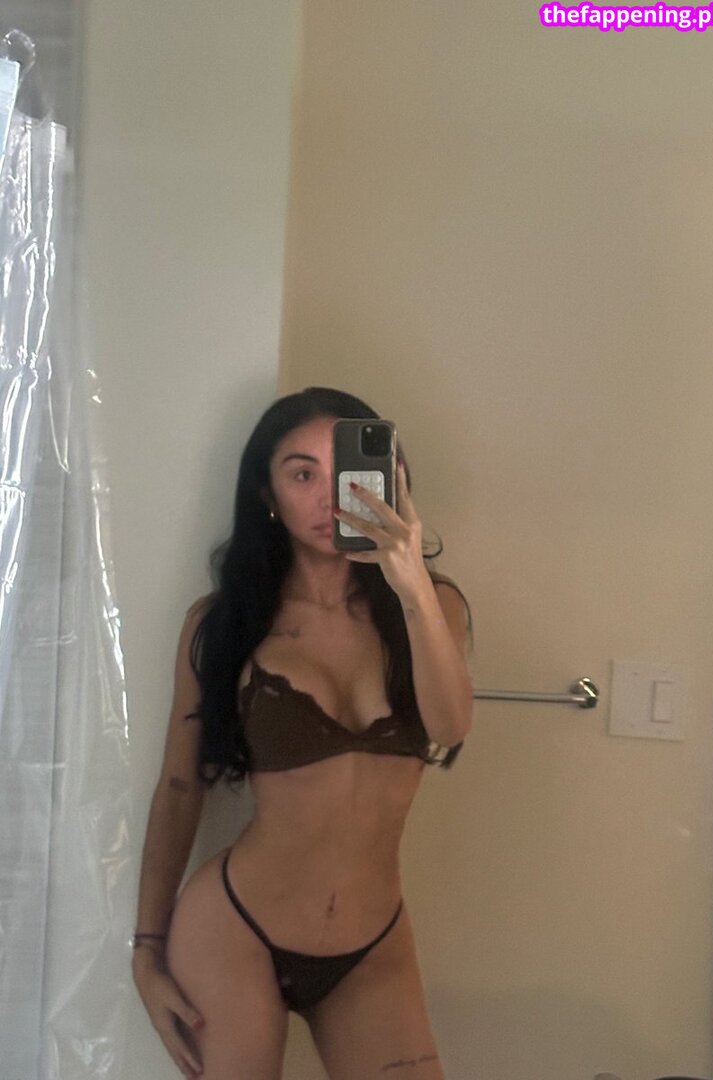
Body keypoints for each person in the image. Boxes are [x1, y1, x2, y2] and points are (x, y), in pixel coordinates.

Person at [131, 387, 474, 1080]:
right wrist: (146, 949)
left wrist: (409, 582)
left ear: (388, 479)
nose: (328, 498)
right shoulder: (223, 623)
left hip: (373, 942)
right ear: (268, 494)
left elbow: (449, 724)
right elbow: (180, 785)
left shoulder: (433, 605)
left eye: (345, 473)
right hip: (236, 928)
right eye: (301, 474)